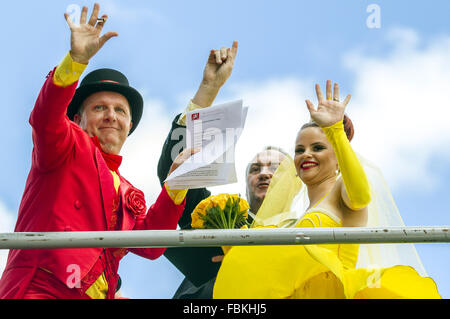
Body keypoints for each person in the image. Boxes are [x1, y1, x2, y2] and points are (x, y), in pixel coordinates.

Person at [0, 3, 194, 299]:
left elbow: (152, 244)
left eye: (119, 110)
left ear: (129, 125)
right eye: (99, 107)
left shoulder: (126, 189)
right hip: (42, 289)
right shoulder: (65, 145)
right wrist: (75, 61)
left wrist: (177, 184)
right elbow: (46, 118)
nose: (111, 116)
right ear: (76, 119)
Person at [213, 80, 441, 298]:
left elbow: (361, 195)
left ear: (338, 159)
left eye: (318, 147)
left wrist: (336, 132)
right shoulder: (296, 217)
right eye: (299, 150)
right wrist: (242, 258)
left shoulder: (343, 190)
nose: (306, 154)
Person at [157, 44, 288, 298]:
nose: (264, 173)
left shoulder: (308, 230)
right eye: (256, 168)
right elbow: (174, 174)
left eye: (276, 168)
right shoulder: (220, 214)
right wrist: (209, 89)